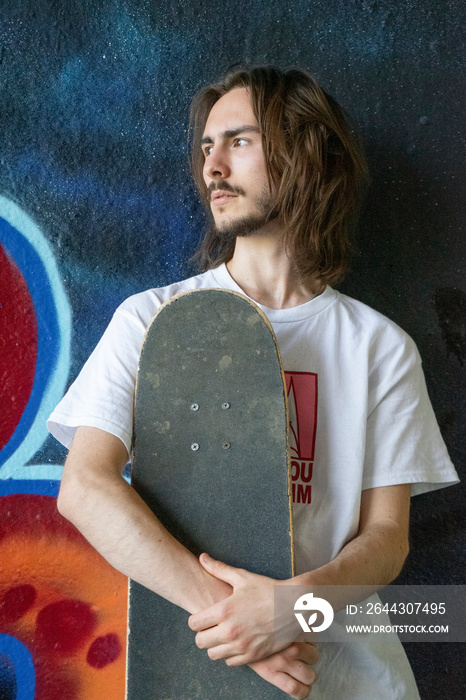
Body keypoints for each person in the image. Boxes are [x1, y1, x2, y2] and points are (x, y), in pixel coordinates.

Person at [48, 65, 458, 699]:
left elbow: (386, 538)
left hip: (353, 680)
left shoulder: (380, 346)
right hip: (198, 674)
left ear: (305, 154)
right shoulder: (153, 318)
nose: (213, 167)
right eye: (208, 147)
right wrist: (236, 621)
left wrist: (294, 610)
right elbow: (85, 487)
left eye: (238, 141)